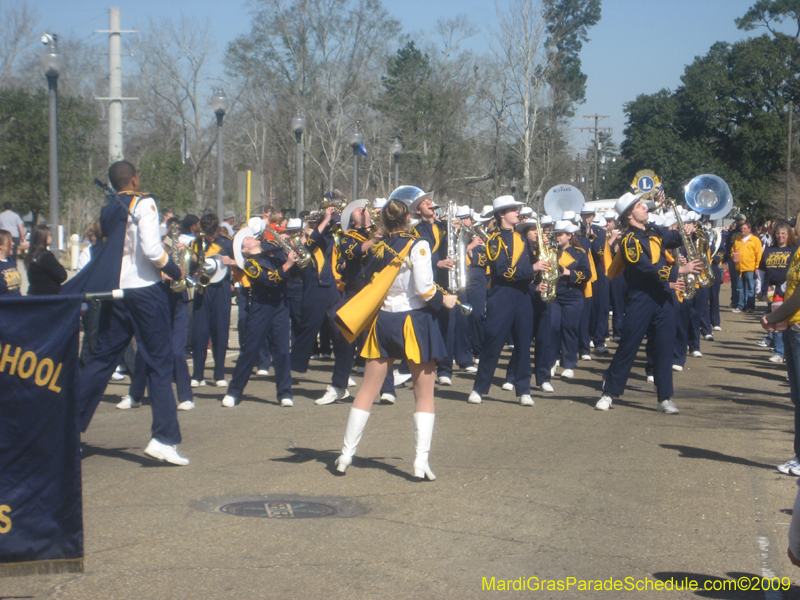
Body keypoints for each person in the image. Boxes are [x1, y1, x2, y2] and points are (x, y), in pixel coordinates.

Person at [68, 160, 189, 465]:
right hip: (145, 292)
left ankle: (66, 431)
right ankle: (163, 437)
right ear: (134, 179)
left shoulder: (109, 209)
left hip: (116, 291)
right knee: (159, 363)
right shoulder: (144, 202)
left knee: (100, 361)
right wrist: (174, 270)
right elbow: (150, 250)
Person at [333, 197, 458, 478]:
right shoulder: (419, 245)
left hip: (384, 321)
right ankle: (420, 461)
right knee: (424, 394)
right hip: (414, 321)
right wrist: (445, 300)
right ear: (408, 218)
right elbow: (425, 290)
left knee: (366, 390)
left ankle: (345, 455)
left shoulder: (377, 247)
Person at [594, 191, 701, 414]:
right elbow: (644, 267)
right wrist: (678, 270)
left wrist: (687, 232)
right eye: (639, 206)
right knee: (628, 346)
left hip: (662, 297)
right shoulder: (628, 240)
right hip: (641, 299)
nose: (645, 208)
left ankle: (665, 397)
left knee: (664, 347)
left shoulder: (654, 230)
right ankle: (609, 393)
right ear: (629, 215)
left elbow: (673, 238)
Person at [467, 196, 550, 407]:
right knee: (493, 342)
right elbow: (503, 271)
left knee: (523, 344)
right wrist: (532, 268)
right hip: (502, 295)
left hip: (523, 296)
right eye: (513, 210)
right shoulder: (495, 239)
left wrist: (537, 282)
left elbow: (531, 268)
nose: (517, 213)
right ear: (502, 214)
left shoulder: (522, 239)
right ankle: (479, 388)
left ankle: (524, 390)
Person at [222, 226, 297, 407]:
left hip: (279, 304)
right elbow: (268, 280)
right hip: (261, 306)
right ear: (244, 249)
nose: (250, 237)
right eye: (246, 239)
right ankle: (234, 391)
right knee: (250, 349)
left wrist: (290, 245)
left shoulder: (272, 249)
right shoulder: (249, 263)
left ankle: (285, 392)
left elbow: (292, 271)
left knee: (281, 350)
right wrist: (287, 265)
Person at [190, 213, 236, 387]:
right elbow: (191, 265)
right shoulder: (196, 242)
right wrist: (194, 271)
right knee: (199, 333)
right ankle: (197, 374)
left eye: (213, 233)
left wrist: (231, 261)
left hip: (222, 289)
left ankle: (219, 374)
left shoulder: (227, 241)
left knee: (220, 332)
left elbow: (241, 263)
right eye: (207, 233)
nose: (210, 237)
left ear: (217, 229)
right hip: (204, 289)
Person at [550, 220, 592, 380]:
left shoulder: (579, 253)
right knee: (552, 328)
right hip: (554, 295)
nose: (557, 237)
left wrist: (569, 273)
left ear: (569, 235)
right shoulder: (551, 251)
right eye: (556, 235)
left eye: (560, 235)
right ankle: (552, 359)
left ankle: (568, 363)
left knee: (569, 328)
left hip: (572, 295)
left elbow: (587, 274)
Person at [758, 221, 797, 363]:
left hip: (790, 291)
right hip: (772, 291)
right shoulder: (769, 250)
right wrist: (759, 289)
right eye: (778, 233)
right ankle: (779, 351)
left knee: (789, 322)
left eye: (783, 234)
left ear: (788, 235)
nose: (780, 236)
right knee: (775, 321)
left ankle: (789, 352)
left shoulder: (794, 249)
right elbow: (762, 271)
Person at [25, 224, 66, 295]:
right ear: (43, 237)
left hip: (33, 294)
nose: (51, 237)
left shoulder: (31, 255)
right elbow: (62, 275)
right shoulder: (46, 256)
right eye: (49, 235)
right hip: (47, 296)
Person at [732, 221, 763, 313]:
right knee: (739, 288)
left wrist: (757, 267)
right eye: (741, 228)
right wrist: (733, 255)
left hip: (750, 268)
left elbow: (759, 254)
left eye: (745, 228)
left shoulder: (755, 240)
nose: (743, 230)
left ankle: (750, 307)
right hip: (739, 268)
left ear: (749, 229)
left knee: (751, 289)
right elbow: (732, 251)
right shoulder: (737, 240)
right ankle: (740, 305)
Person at [0, 230, 21, 296]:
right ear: (1, 245)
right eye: (10, 241)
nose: (13, 243)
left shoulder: (10, 261)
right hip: (5, 305)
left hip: (17, 304)